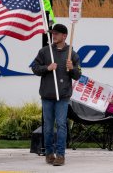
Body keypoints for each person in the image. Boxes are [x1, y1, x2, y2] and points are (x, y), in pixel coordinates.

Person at [31, 24, 81, 166]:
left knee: (61, 125)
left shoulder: (72, 53)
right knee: (48, 127)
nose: (54, 36)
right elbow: (34, 68)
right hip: (47, 95)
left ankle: (60, 155)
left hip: (63, 97)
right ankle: (49, 153)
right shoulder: (45, 52)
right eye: (53, 33)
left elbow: (78, 75)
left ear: (64, 36)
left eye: (57, 34)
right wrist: (47, 67)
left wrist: (72, 69)